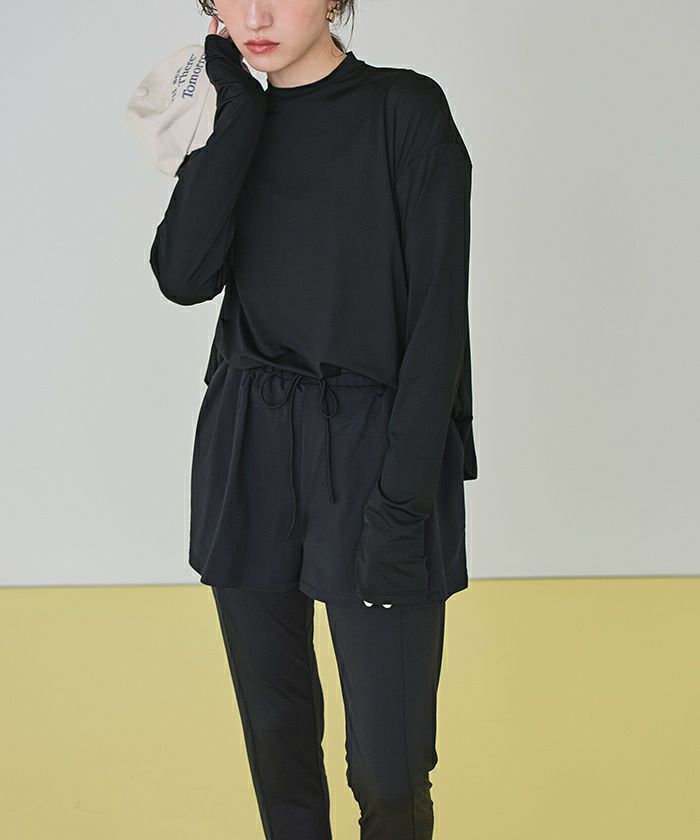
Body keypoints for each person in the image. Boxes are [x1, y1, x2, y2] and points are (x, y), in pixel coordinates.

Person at [148, 1, 477, 836]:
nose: (255, 14)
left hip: (375, 448)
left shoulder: (406, 110)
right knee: (279, 748)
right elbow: (183, 275)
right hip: (249, 444)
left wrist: (401, 504)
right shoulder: (235, 120)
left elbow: (437, 325)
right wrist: (237, 112)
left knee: (390, 772)